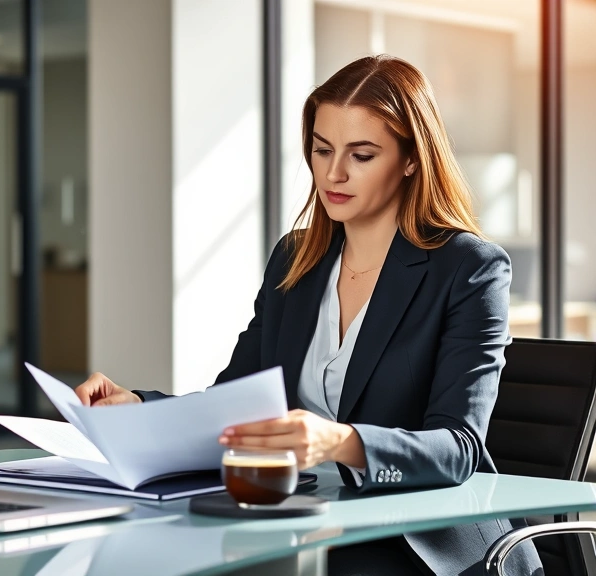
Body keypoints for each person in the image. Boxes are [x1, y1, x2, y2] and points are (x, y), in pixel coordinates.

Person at [73, 55, 542, 576]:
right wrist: (137, 405)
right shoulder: (297, 259)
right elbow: (234, 408)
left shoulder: (467, 268)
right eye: (322, 150)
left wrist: (339, 441)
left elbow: (458, 450)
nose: (334, 173)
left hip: (424, 542)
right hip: (313, 521)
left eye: (362, 155)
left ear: (411, 159)